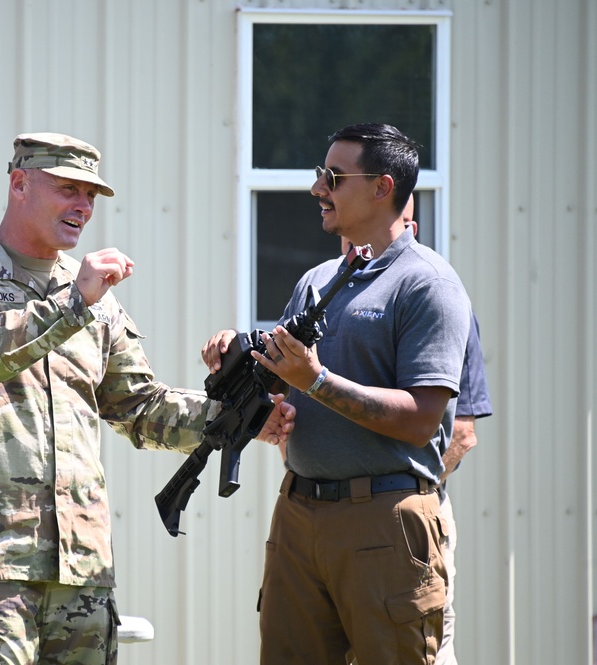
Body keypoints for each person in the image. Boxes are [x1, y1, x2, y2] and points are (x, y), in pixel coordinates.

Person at [0, 132, 294, 665]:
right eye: (68, 189)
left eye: (91, 195)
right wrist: (72, 304)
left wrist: (244, 417)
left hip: (82, 565)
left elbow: (138, 407)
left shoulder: (95, 297)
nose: (83, 206)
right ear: (19, 184)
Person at [204, 123, 471, 663]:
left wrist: (317, 382)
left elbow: (423, 419)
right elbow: (278, 378)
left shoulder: (428, 285)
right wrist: (237, 357)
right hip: (299, 514)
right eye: (318, 175)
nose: (317, 188)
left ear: (382, 187)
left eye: (333, 176)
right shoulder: (318, 279)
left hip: (386, 519)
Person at [338, 196, 493, 665]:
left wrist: (397, 494)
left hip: (408, 518)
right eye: (351, 233)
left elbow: (461, 433)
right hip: (325, 521)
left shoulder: (436, 300)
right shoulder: (326, 299)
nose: (360, 244)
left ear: (410, 227)